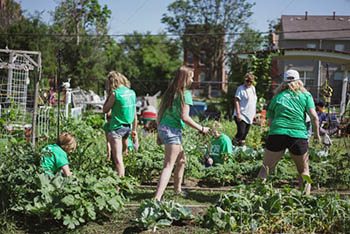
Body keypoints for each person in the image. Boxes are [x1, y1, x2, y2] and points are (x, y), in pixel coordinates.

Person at [257, 69, 321, 195]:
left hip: (277, 133)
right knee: (304, 171)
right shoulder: (305, 96)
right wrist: (317, 135)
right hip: (298, 135)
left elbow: (270, 120)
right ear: (299, 81)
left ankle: (256, 198)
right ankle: (305, 200)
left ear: (284, 82)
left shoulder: (277, 97)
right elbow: (314, 117)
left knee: (265, 169)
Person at [154, 66, 210, 201]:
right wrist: (202, 128)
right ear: (185, 79)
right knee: (168, 165)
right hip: (172, 131)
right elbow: (185, 117)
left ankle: (177, 190)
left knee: (182, 160)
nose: (192, 79)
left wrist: (159, 134)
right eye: (191, 77)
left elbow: (161, 113)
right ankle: (156, 198)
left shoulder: (170, 92)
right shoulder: (185, 94)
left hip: (164, 128)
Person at [103, 71, 138, 177]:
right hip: (128, 128)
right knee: (123, 155)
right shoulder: (132, 93)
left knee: (118, 160)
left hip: (117, 129)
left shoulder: (115, 94)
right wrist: (134, 129)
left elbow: (105, 109)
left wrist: (108, 96)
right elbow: (135, 114)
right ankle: (123, 178)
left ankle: (119, 186)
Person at [233, 72, 257, 146]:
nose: (249, 83)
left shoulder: (253, 88)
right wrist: (238, 113)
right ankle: (231, 145)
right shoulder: (240, 89)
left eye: (250, 81)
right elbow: (236, 100)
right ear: (245, 80)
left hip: (250, 115)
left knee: (245, 134)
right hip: (241, 114)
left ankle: (240, 149)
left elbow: (253, 101)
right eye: (247, 81)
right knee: (241, 132)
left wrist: (254, 114)